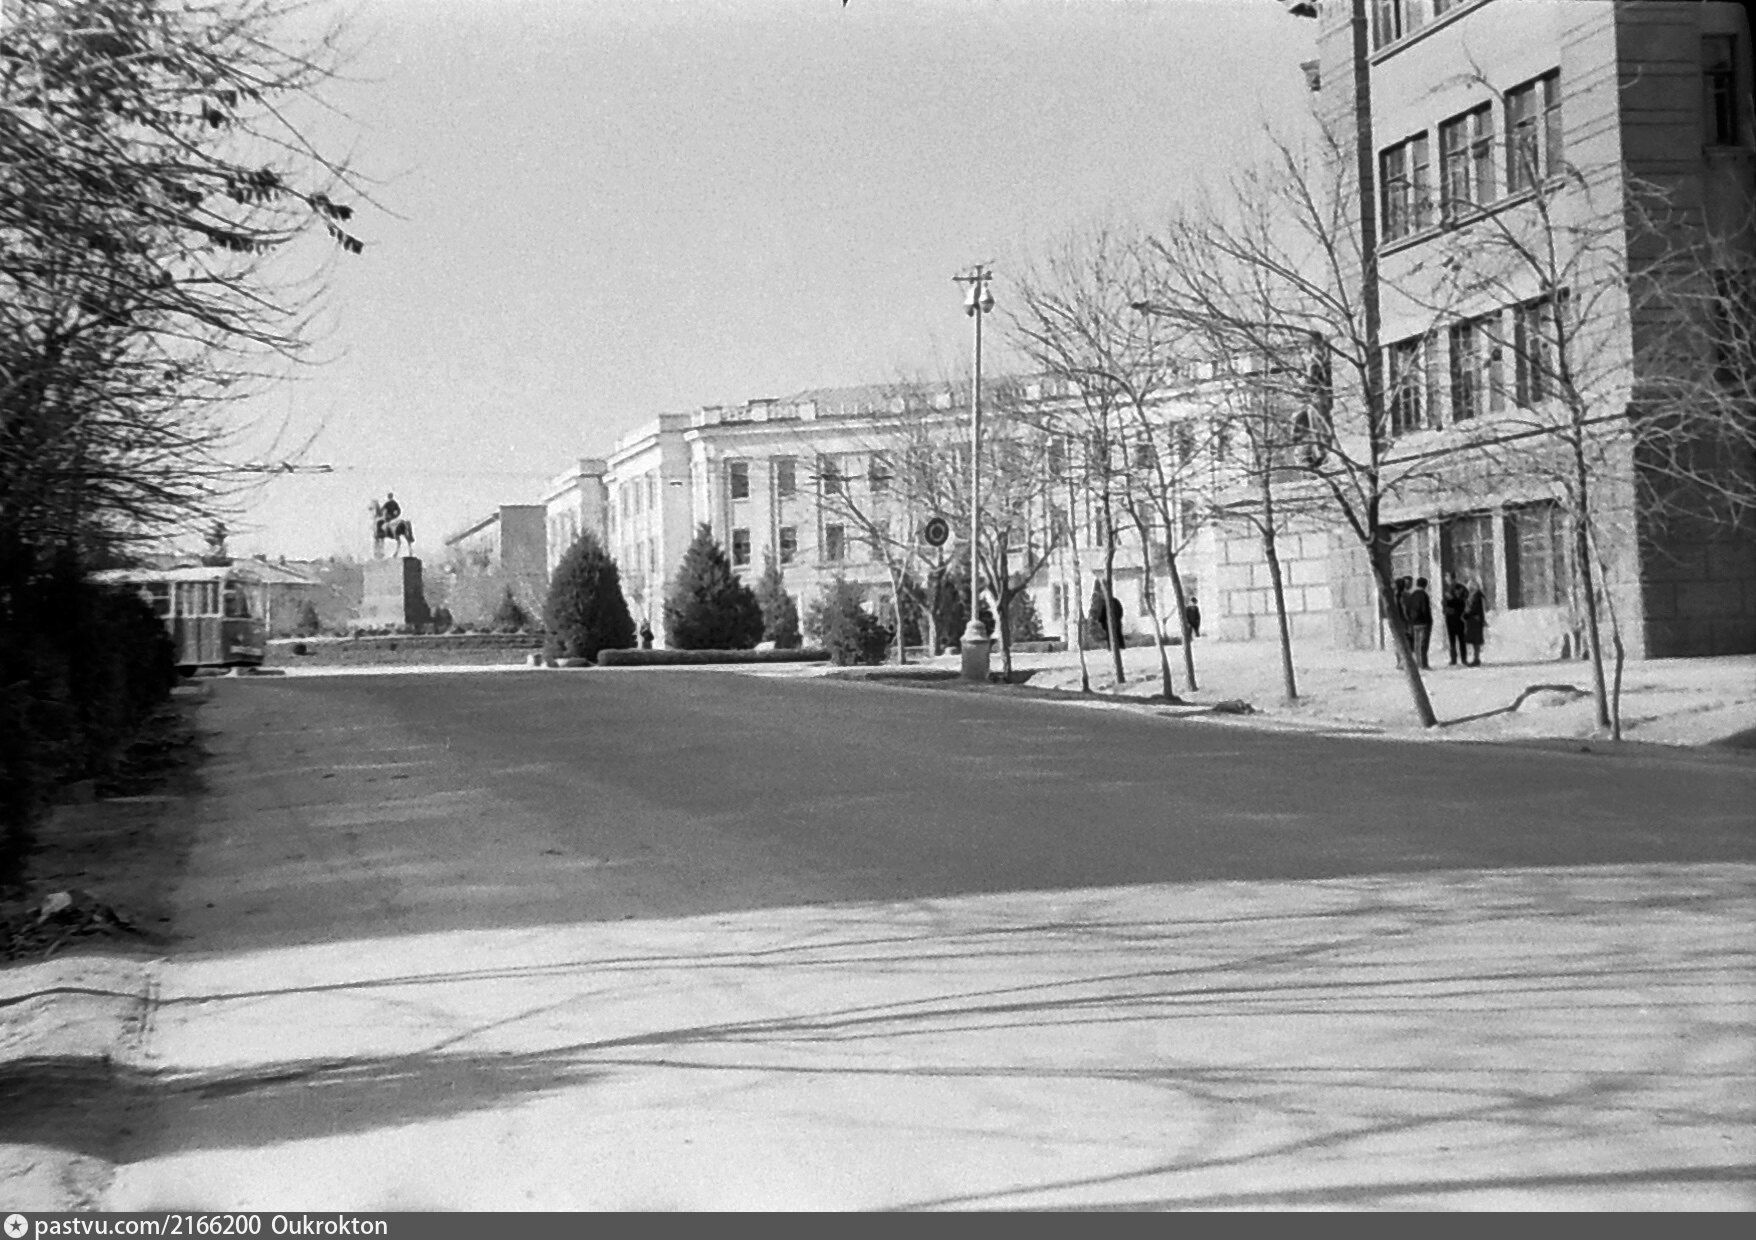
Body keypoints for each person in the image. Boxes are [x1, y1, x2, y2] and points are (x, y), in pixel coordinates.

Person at [1405, 576, 1433, 670]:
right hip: (1424, 623)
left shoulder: (1412, 595)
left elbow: (1408, 608)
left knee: (1416, 644)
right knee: (1423, 644)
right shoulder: (1424, 595)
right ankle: (1423, 664)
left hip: (1414, 623)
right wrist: (1429, 620)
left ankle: (1417, 663)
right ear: (1425, 585)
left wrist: (1411, 620)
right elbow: (1425, 609)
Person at [1442, 574, 1468, 665]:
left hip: (1454, 617)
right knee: (1458, 639)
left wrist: (1451, 600)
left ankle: (1456, 659)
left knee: (1455, 639)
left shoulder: (1452, 590)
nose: (1446, 579)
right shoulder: (1462, 588)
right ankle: (1461, 659)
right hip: (1457, 617)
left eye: (1447, 577)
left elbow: (1462, 601)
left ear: (1452, 578)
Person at [1462, 581, 1487, 667]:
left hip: (1474, 622)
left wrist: (1465, 615)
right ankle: (1476, 658)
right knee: (1475, 641)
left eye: (1469, 586)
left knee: (1476, 641)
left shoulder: (1475, 596)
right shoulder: (1476, 596)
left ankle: (1476, 659)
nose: (1467, 588)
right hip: (1474, 621)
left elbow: (1472, 608)